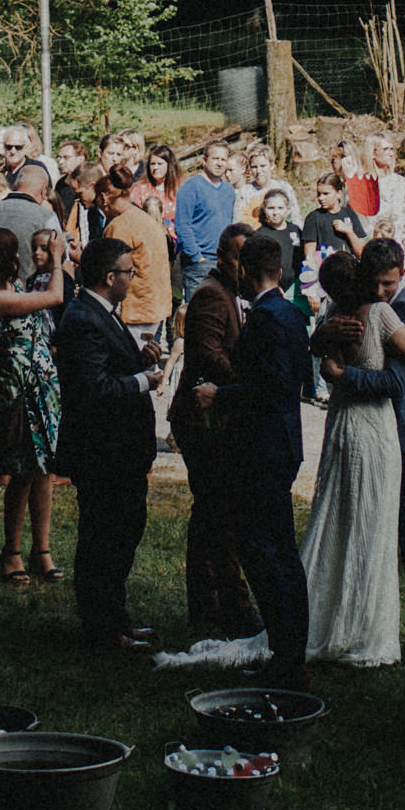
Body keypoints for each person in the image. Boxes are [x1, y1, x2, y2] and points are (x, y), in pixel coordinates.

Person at [194, 231, 316, 686]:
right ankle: (289, 648)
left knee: (264, 550)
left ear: (246, 272)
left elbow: (272, 387)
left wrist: (218, 394)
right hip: (280, 444)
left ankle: (286, 652)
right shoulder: (290, 314)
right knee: (280, 548)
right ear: (280, 272)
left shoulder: (267, 318)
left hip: (262, 448)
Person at [330, 237, 405, 669]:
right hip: (374, 434)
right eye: (376, 284)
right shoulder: (361, 305)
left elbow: (395, 382)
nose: (382, 292)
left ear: (402, 271)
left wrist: (345, 377)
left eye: (389, 282)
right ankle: (361, 623)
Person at [53, 236, 164, 651]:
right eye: (128, 272)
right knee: (104, 540)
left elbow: (108, 364)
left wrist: (141, 360)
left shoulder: (104, 314)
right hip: (103, 452)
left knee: (122, 535)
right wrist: (143, 381)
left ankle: (117, 619)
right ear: (108, 276)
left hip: (122, 451)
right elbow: (92, 389)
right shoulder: (83, 317)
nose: (132, 279)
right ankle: (102, 629)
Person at [302, 253, 404, 667]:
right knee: (361, 522)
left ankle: (345, 619)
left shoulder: (351, 314)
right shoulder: (362, 314)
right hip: (363, 427)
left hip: (352, 422)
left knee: (355, 519)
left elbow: (401, 372)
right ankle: (354, 624)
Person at [170, 221, 265, 644]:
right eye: (242, 259)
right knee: (217, 513)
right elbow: (207, 354)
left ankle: (212, 604)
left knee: (213, 514)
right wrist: (251, 381)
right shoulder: (211, 293)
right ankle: (227, 605)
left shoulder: (231, 292)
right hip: (202, 420)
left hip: (217, 418)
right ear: (226, 256)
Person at [0, 225, 69, 585]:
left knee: (44, 471)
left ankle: (41, 550)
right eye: (12, 252)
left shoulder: (18, 287)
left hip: (42, 387)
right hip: (15, 392)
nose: (18, 257)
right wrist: (56, 259)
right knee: (22, 473)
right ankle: (11, 552)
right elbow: (55, 296)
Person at [103, 165, 177, 358]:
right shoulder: (144, 218)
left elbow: (110, 271)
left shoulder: (119, 225)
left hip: (135, 310)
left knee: (132, 368)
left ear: (103, 198)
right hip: (154, 305)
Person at [175, 142, 241, 294]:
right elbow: (182, 226)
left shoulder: (228, 190)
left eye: (223, 160)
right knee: (199, 314)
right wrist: (196, 257)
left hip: (223, 262)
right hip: (199, 264)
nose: (219, 163)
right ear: (204, 160)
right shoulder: (191, 188)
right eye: (215, 159)